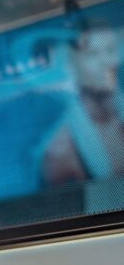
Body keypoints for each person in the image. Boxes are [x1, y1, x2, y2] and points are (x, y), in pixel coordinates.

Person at [40, 18, 124, 186]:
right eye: (92, 54)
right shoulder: (60, 150)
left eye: (110, 50)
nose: (106, 62)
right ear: (71, 66)